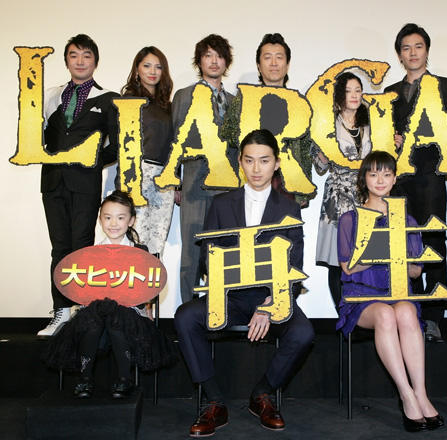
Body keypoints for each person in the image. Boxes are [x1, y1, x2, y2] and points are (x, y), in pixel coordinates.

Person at [174, 129, 314, 436]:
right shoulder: (221, 204)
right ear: (240, 162)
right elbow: (208, 257)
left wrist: (270, 305)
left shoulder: (289, 208)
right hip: (230, 297)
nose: (256, 168)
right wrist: (225, 287)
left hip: (271, 297)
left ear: (276, 163)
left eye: (264, 160)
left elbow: (294, 265)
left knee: (303, 332)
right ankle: (214, 401)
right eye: (249, 160)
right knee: (185, 317)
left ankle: (262, 394)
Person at [337, 151, 443, 432]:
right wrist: (383, 250)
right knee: (385, 314)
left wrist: (400, 257)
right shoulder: (349, 219)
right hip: (362, 297)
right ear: (364, 179)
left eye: (386, 174)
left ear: (395, 179)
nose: (380, 180)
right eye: (373, 174)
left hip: (398, 293)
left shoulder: (407, 220)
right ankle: (406, 395)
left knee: (406, 311)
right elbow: (348, 267)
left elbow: (416, 271)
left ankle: (421, 393)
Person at [42, 191, 176, 398]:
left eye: (120, 218)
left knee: (116, 317)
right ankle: (85, 379)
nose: (114, 223)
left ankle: (124, 379)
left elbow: (146, 290)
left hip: (129, 319)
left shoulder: (140, 251)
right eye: (108, 217)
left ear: (131, 220)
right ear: (100, 220)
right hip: (95, 319)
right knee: (94, 317)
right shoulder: (90, 253)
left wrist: (148, 308)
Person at [38, 34, 120, 337]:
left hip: (85, 184)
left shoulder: (108, 99)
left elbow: (116, 146)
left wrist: (92, 161)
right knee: (59, 247)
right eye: (74, 55)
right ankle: (60, 312)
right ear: (66, 61)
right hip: (53, 182)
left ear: (95, 61)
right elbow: (37, 137)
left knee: (81, 247)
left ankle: (81, 312)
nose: (80, 61)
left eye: (86, 55)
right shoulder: (50, 96)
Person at [384, 23, 447, 342]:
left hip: (430, 176)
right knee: (403, 245)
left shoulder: (446, 86)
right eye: (406, 48)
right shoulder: (390, 92)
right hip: (399, 181)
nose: (412, 53)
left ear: (427, 51)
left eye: (418, 46)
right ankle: (410, 312)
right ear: (399, 55)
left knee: (433, 242)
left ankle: (433, 318)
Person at [173, 34, 235, 305]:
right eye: (208, 55)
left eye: (219, 56)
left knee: (224, 252)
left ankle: (221, 310)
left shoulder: (235, 101)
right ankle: (188, 311)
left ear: (226, 62)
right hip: (194, 185)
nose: (214, 61)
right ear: (199, 61)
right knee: (192, 253)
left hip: (227, 188)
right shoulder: (184, 96)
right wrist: (175, 181)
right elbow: (175, 140)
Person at [220, 33, 314, 207]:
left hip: (286, 182)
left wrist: (302, 191)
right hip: (250, 178)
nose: (273, 63)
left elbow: (305, 148)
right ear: (259, 65)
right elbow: (228, 135)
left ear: (287, 64)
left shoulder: (298, 103)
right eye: (267, 57)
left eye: (279, 57)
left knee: (284, 225)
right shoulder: (244, 98)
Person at [313, 72, 372, 307]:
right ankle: (343, 317)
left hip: (367, 195)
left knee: (367, 258)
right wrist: (323, 153)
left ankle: (363, 315)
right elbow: (319, 168)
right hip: (337, 198)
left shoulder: (373, 122)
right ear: (339, 95)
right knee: (337, 261)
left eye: (358, 90)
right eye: (348, 91)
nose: (354, 95)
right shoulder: (326, 124)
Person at [121, 46, 174, 256]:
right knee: (138, 239)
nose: (153, 71)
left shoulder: (168, 106)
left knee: (157, 241)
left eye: (158, 67)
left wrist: (177, 182)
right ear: (137, 69)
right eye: (147, 66)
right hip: (138, 174)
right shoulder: (128, 101)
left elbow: (174, 144)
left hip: (165, 178)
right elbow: (122, 144)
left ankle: (155, 279)